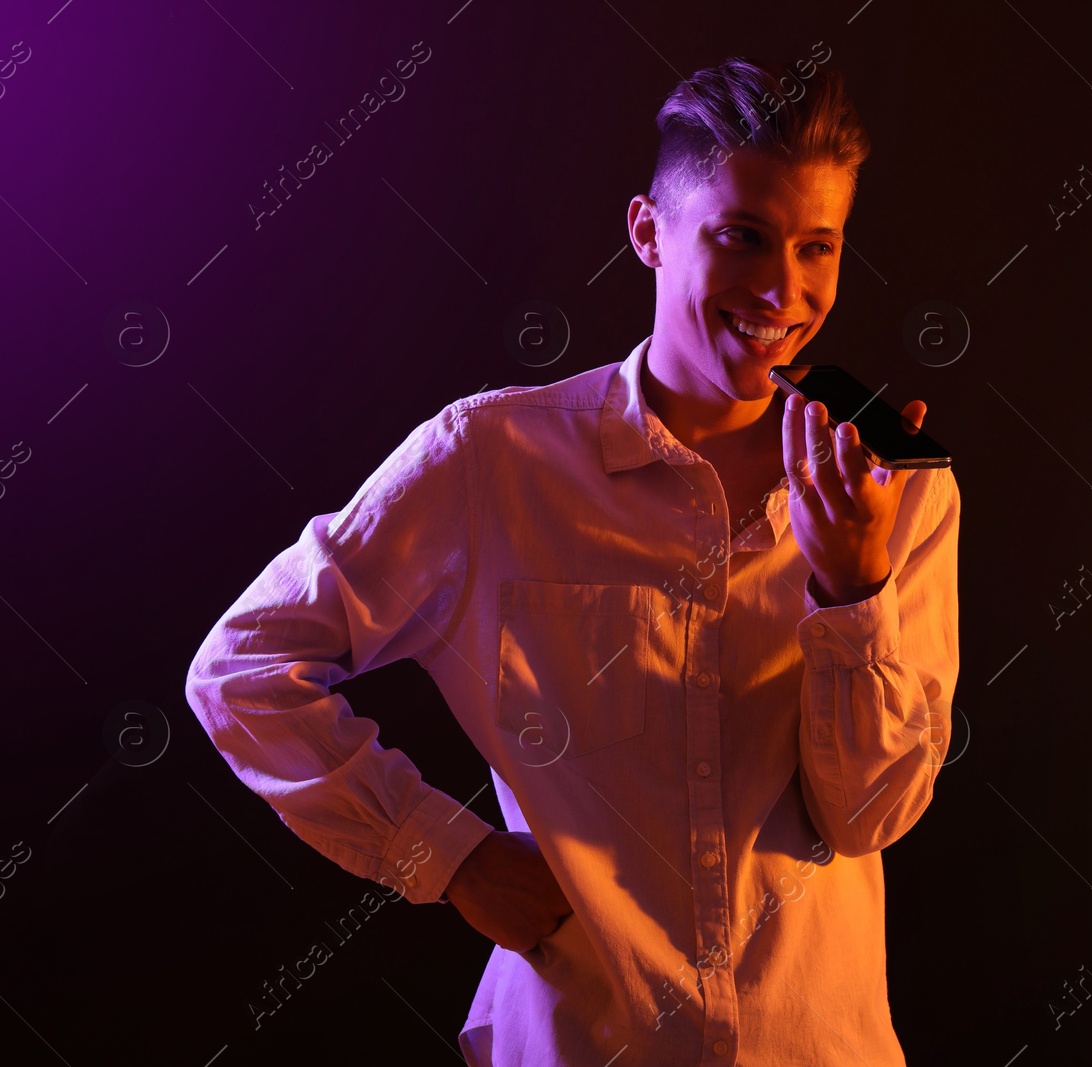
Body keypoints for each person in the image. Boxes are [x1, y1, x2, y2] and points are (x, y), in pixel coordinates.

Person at [184, 54, 960, 1066]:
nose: (784, 287)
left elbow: (868, 815)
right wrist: (448, 855)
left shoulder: (895, 486)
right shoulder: (490, 462)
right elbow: (241, 671)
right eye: (742, 236)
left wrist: (850, 590)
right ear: (647, 231)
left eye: (820, 246)